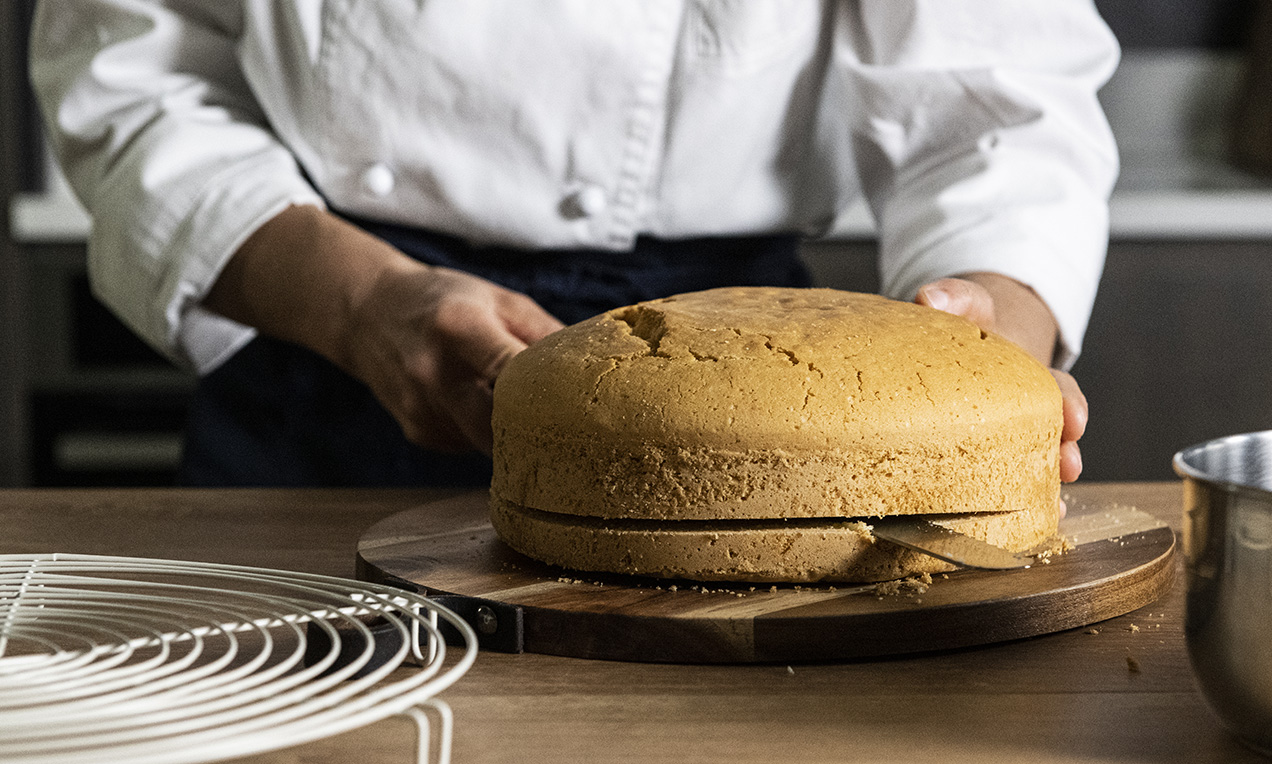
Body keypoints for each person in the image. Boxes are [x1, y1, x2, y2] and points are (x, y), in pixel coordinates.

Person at [29, 1, 1115, 488]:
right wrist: (359, 306)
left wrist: (984, 335)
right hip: (320, 346)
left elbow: (998, 107)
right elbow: (128, 75)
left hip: (745, 381)